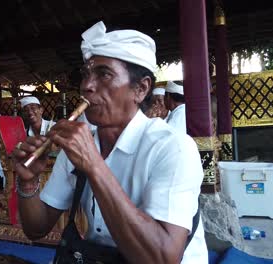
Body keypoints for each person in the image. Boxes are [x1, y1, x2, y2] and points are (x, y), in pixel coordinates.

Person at [12, 21, 207, 263]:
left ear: (141, 89)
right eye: (86, 75)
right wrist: (28, 182)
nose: (87, 86)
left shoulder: (173, 147)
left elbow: (163, 258)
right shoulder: (78, 147)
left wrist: (94, 165)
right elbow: (36, 229)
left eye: (104, 74)